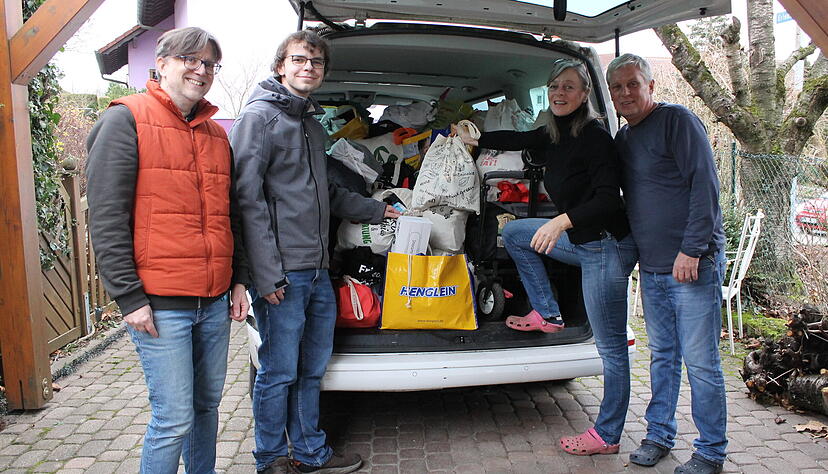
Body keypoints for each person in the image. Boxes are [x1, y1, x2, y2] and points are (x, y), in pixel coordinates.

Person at [230, 30, 401, 474]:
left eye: (317, 62)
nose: (309, 67)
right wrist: (263, 275)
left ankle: (309, 453)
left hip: (318, 268)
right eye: (299, 59)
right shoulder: (260, 119)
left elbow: (323, 191)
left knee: (310, 370)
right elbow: (244, 199)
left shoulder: (309, 123)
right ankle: (269, 459)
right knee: (277, 372)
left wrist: (379, 209)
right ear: (280, 65)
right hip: (283, 273)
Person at [86, 27, 250, 473]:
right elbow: (105, 218)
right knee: (173, 418)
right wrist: (129, 297)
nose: (201, 70)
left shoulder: (217, 134)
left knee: (206, 408)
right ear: (162, 63)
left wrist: (239, 278)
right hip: (160, 307)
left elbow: (229, 214)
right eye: (190, 60)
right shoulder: (125, 119)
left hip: (213, 301)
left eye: (210, 64)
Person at [455, 58, 638, 456]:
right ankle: (548, 313)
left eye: (570, 87)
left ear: (586, 94)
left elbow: (609, 199)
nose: (560, 93)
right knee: (519, 232)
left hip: (606, 247)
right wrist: (473, 136)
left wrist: (560, 223)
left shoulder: (594, 137)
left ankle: (607, 435)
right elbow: (514, 139)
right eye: (555, 86)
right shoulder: (553, 132)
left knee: (610, 348)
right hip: (584, 241)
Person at [607, 53, 728, 474]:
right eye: (617, 87)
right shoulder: (623, 140)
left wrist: (692, 249)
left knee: (701, 363)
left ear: (651, 85)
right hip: (654, 267)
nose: (625, 93)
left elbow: (705, 186)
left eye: (632, 83)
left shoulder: (678, 122)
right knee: (662, 357)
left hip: (693, 264)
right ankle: (659, 434)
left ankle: (711, 452)